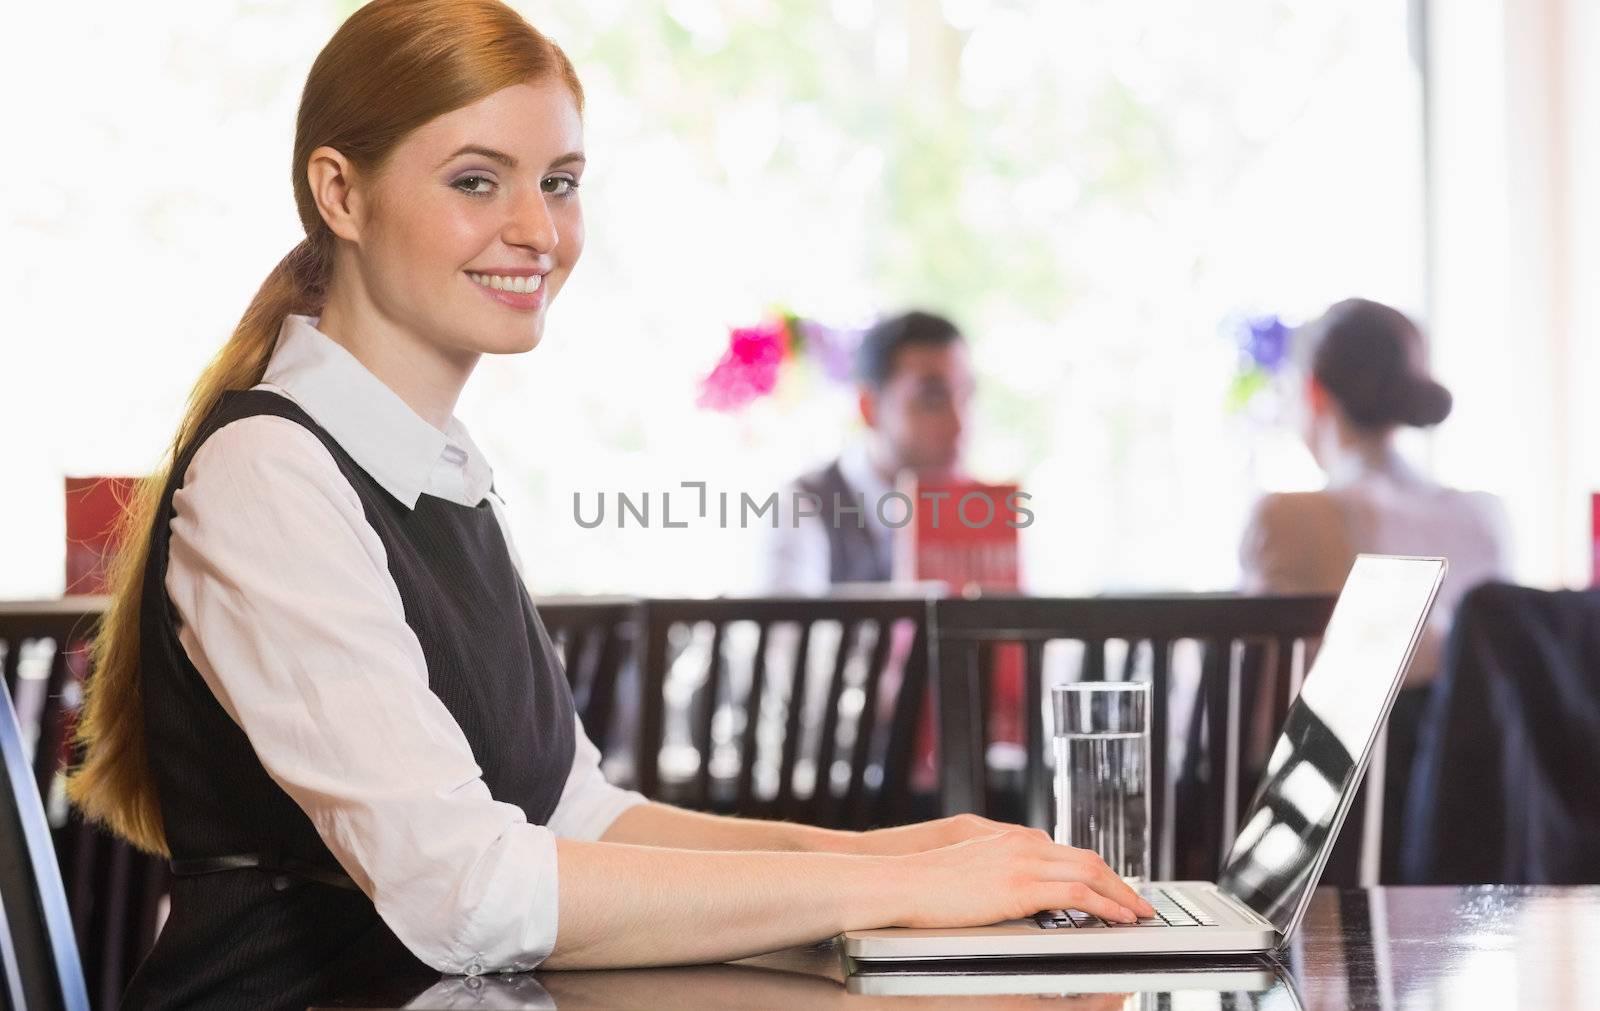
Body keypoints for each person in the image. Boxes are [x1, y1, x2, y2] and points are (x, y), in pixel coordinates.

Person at [64, 3, 1150, 1007]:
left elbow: (578, 818)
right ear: (339, 193)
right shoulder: (272, 471)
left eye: (562, 181)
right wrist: (882, 896)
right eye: (477, 181)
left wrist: (890, 856)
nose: (538, 229)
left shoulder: (434, 466)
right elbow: (467, 895)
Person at [1238, 296, 1512, 879]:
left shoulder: (1290, 518)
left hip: (1333, 852)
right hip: (1483, 838)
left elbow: (1257, 723)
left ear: (1313, 392)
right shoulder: (1486, 517)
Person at [762, 310, 975, 594]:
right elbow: (787, 633)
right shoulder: (804, 505)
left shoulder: (981, 512)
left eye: (966, 396)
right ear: (868, 407)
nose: (959, 423)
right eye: (932, 400)